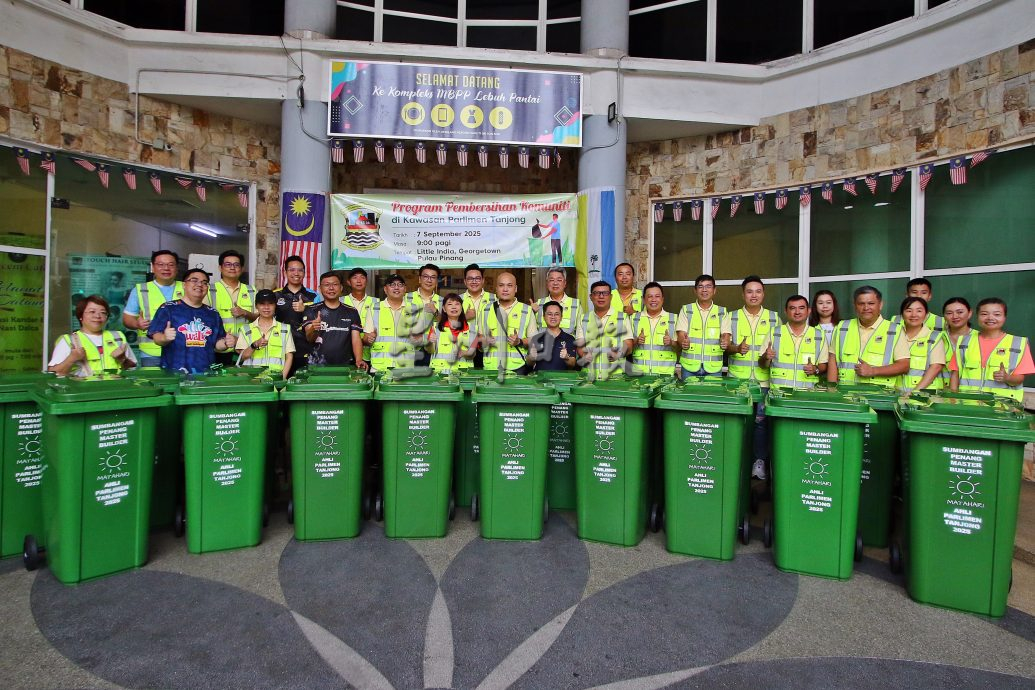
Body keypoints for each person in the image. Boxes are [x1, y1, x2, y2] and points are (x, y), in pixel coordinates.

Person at [722, 276, 780, 480]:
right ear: (743, 294)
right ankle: (736, 461)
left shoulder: (774, 318)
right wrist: (736, 348)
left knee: (760, 423)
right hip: (737, 380)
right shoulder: (732, 316)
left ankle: (759, 462)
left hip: (763, 381)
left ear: (763, 294)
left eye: (758, 291)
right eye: (749, 291)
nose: (753, 295)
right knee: (738, 423)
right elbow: (725, 346)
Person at [149, 268, 235, 373]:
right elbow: (156, 337)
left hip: (205, 373)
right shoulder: (168, 308)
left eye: (204, 283)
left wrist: (226, 343)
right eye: (194, 280)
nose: (199, 285)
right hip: (174, 372)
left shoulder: (213, 313)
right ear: (184, 285)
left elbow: (217, 344)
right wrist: (165, 338)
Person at [950, 297, 1034, 403]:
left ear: (1004, 317)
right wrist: (953, 399)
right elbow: (955, 374)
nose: (990, 318)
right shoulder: (964, 342)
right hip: (968, 404)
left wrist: (1007, 378)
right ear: (977, 317)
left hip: (1003, 407)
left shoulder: (1017, 343)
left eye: (997, 314)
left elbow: (1019, 379)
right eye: (984, 314)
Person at [827, 286, 910, 387]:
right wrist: (831, 390)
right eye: (861, 304)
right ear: (855, 305)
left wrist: (873, 371)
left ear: (880, 305)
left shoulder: (894, 330)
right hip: (845, 393)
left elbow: (904, 365)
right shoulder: (842, 327)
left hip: (880, 396)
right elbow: (833, 360)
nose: (866, 308)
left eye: (871, 303)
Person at [49, 295, 137, 378]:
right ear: (81, 316)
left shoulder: (118, 337)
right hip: (84, 391)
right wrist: (71, 359)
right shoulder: (69, 341)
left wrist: (123, 359)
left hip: (114, 389)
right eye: (92, 312)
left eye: (103, 313)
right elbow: (53, 374)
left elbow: (133, 369)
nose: (97, 316)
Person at [123, 250, 184, 367]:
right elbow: (127, 319)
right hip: (151, 352)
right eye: (160, 264)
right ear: (153, 267)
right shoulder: (140, 290)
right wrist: (137, 324)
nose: (166, 268)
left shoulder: (187, 287)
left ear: (177, 268)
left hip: (182, 350)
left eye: (171, 265)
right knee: (154, 383)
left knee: (183, 383)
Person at [302, 271, 367, 370]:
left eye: (335, 284)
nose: (331, 288)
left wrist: (359, 360)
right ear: (320, 289)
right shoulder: (311, 310)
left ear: (341, 288)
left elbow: (356, 339)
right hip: (316, 366)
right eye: (327, 285)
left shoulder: (352, 311)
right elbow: (309, 338)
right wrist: (314, 329)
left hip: (345, 366)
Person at [761, 295, 828, 389]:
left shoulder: (819, 335)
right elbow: (761, 364)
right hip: (778, 395)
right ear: (786, 311)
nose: (797, 312)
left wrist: (815, 369)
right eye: (792, 308)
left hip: (807, 394)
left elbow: (824, 365)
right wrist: (766, 357)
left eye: (801, 308)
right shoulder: (774, 333)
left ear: (808, 311)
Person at [206, 250, 257, 365]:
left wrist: (245, 313)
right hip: (217, 349)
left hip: (245, 349)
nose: (232, 268)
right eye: (228, 264)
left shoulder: (251, 290)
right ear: (220, 268)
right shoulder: (210, 290)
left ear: (242, 268)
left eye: (236, 265)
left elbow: (260, 318)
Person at [576, 280, 634, 381]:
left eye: (605, 293)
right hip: (589, 376)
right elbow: (580, 347)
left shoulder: (622, 318)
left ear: (611, 297)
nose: (601, 296)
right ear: (591, 297)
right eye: (597, 293)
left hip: (615, 377)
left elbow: (629, 346)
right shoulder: (583, 319)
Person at [367, 273, 425, 373]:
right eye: (392, 284)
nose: (396, 287)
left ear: (405, 289)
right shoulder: (374, 308)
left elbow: (421, 341)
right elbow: (366, 338)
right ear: (385, 289)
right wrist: (369, 338)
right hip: (379, 369)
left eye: (400, 284)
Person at [480, 271, 534, 373]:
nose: (505, 289)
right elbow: (478, 337)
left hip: (517, 368)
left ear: (516, 289)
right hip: (491, 368)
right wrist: (484, 340)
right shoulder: (485, 310)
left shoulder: (526, 310)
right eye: (501, 285)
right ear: (496, 289)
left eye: (509, 285)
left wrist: (520, 341)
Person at [236, 289, 294, 379]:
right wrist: (254, 345)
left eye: (270, 303)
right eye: (262, 304)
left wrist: (282, 378)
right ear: (256, 306)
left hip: (276, 380)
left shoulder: (285, 328)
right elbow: (243, 357)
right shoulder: (246, 329)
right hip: (252, 380)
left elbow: (289, 356)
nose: (266, 307)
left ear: (275, 305)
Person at [676, 274, 726, 380]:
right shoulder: (686, 310)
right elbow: (681, 335)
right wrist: (683, 342)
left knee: (712, 396)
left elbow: (726, 336)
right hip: (689, 367)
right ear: (695, 290)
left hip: (713, 368)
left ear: (714, 290)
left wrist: (725, 342)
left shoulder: (722, 312)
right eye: (700, 286)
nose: (704, 290)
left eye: (708, 286)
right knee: (688, 396)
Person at [273, 255, 316, 375]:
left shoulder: (313, 296)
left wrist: (305, 309)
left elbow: (319, 321)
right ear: (285, 272)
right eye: (292, 270)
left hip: (306, 349)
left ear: (304, 272)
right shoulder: (275, 295)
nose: (296, 273)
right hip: (281, 348)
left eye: (300, 270)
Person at [897, 297, 946, 393]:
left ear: (926, 315)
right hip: (897, 393)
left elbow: (936, 367)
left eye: (919, 311)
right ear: (902, 315)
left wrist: (915, 392)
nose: (914, 315)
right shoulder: (895, 335)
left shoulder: (934, 337)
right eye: (909, 310)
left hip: (925, 395)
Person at [629, 282, 678, 376]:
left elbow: (681, 347)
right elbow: (625, 347)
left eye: (657, 296)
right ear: (643, 299)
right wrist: (636, 341)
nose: (653, 300)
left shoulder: (673, 319)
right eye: (650, 296)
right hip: (640, 375)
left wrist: (671, 342)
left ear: (662, 299)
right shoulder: (634, 318)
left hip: (665, 375)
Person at [429, 293, 477, 373]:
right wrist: (430, 342)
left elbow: (473, 355)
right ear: (444, 309)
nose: (454, 307)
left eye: (457, 304)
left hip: (464, 376)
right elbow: (430, 350)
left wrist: (465, 353)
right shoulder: (435, 328)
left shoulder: (472, 329)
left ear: (461, 307)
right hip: (440, 376)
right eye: (450, 304)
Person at [407, 263, 442, 367]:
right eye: (426, 276)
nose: (429, 280)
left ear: (436, 281)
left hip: (431, 349)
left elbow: (446, 324)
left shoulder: (442, 301)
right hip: (409, 347)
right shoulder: (406, 298)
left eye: (433, 277)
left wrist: (435, 311)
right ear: (419, 279)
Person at [527, 301, 578, 371]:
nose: (553, 317)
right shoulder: (536, 338)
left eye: (556, 314)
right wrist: (531, 357)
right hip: (540, 380)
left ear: (561, 317)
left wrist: (567, 358)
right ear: (544, 317)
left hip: (562, 379)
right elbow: (529, 363)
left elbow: (573, 363)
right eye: (549, 314)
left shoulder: (570, 339)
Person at [530, 266, 581, 334]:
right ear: (547, 283)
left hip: (567, 344)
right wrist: (531, 312)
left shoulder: (576, 305)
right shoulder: (538, 304)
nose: (555, 283)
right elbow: (531, 332)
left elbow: (580, 334)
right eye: (551, 280)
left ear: (565, 283)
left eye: (559, 280)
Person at [459, 264, 493, 368]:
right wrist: (465, 317)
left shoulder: (494, 299)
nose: (474, 282)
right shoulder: (457, 300)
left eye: (477, 278)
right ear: (465, 281)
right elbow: (449, 324)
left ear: (483, 280)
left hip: (489, 347)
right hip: (465, 347)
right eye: (470, 279)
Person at [344, 267, 377, 365]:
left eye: (362, 277)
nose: (359, 280)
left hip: (368, 354)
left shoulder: (377, 302)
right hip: (345, 353)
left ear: (366, 281)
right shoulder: (340, 301)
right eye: (355, 277)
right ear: (349, 282)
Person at [941, 296, 973, 388]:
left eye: (960, 312)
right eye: (949, 313)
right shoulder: (937, 338)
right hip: (939, 393)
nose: (955, 316)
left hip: (968, 394)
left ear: (969, 313)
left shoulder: (978, 338)